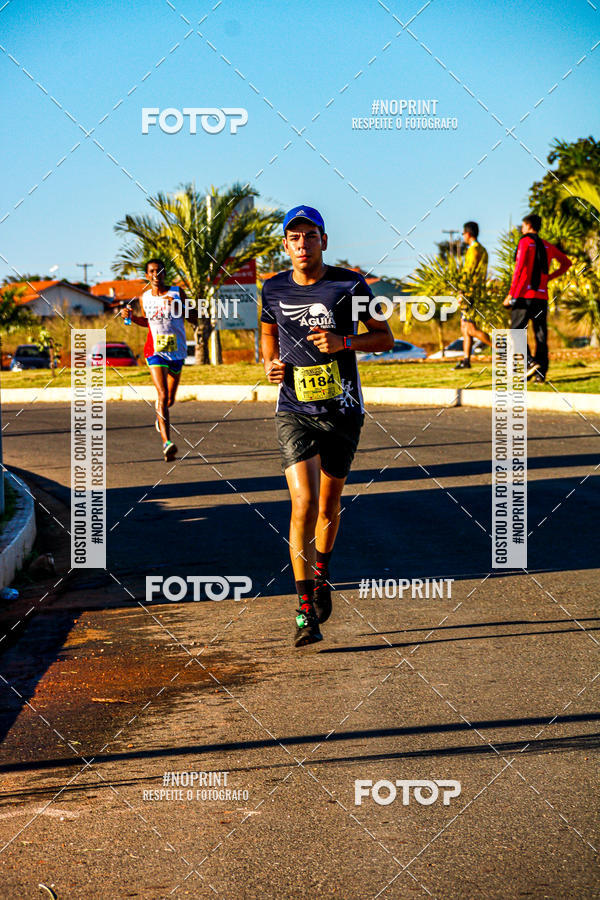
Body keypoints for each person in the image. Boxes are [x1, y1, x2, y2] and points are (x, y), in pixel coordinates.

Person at [261, 205, 394, 647]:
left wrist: (344, 342)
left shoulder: (349, 285)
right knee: (303, 502)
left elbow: (385, 337)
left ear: (324, 241)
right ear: (286, 245)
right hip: (293, 410)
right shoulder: (273, 288)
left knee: (328, 505)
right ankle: (304, 611)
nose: (302, 245)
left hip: (342, 410)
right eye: (294, 238)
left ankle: (321, 572)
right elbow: (267, 331)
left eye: (310, 236)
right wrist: (269, 363)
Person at [121, 258, 193, 460]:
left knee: (169, 399)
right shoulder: (145, 297)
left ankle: (160, 416)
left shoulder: (177, 292)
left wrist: (179, 307)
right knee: (161, 394)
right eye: (151, 271)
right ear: (147, 275)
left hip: (176, 350)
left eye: (159, 271)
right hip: (155, 350)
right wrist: (132, 317)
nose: (155, 275)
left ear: (164, 273)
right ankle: (167, 443)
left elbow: (194, 317)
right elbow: (148, 322)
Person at [503, 214, 572, 382]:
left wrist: (511, 293)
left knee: (516, 330)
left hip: (524, 295)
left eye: (523, 226)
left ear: (527, 225)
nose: (522, 229)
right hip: (541, 296)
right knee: (540, 334)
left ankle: (529, 362)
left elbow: (519, 268)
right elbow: (566, 263)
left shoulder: (525, 242)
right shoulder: (547, 246)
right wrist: (549, 277)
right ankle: (540, 374)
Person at [455, 221, 491, 369]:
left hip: (470, 293)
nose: (463, 236)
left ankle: (503, 349)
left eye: (463, 234)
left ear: (468, 234)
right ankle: (466, 360)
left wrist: (461, 292)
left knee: (470, 328)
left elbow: (468, 273)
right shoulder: (483, 249)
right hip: (477, 291)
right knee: (464, 327)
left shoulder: (473, 250)